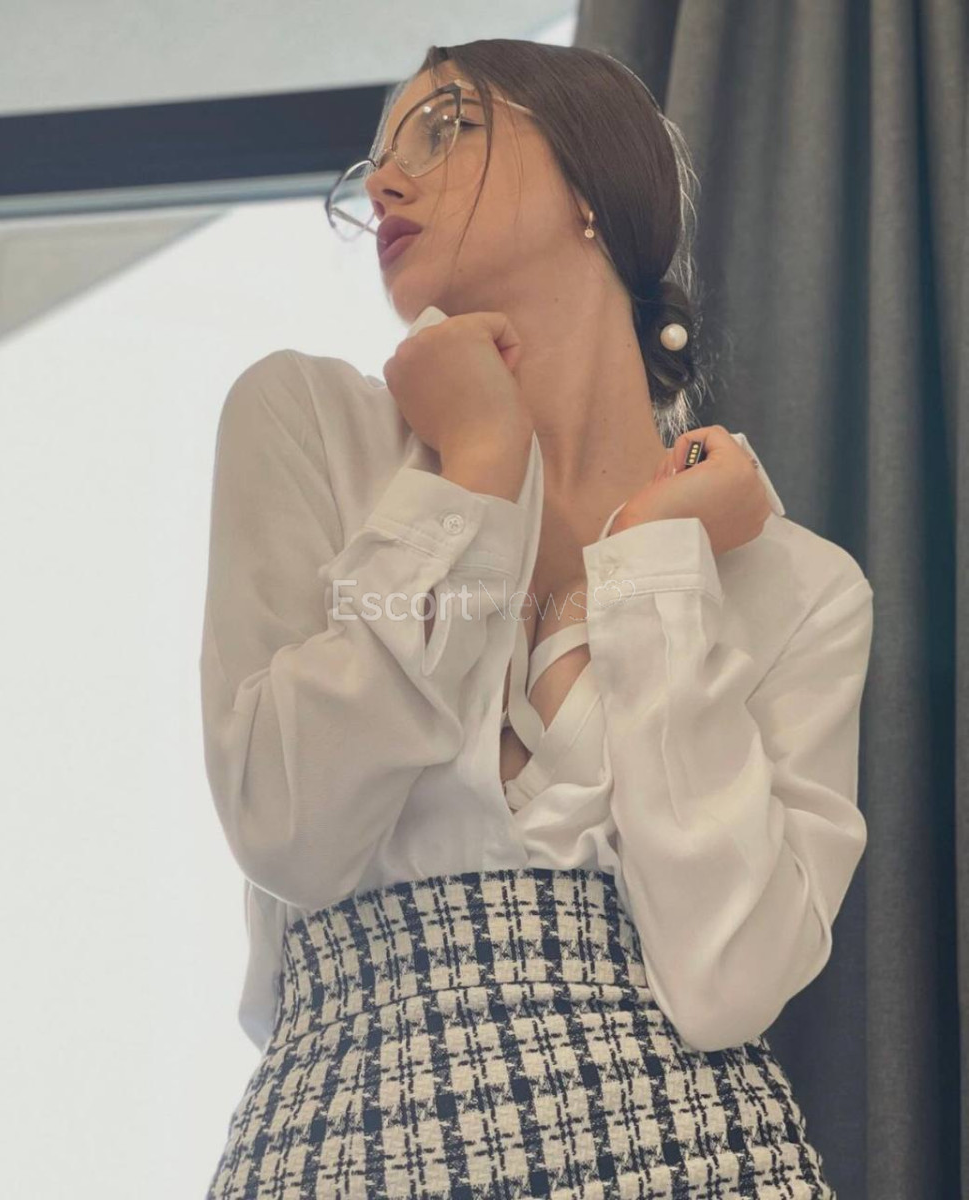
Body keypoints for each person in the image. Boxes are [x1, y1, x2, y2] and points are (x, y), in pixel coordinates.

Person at [202, 39, 873, 1199]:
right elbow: (288, 829)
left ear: (591, 185)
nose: (384, 183)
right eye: (373, 162)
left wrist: (654, 566)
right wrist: (472, 465)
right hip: (350, 1137)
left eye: (443, 129)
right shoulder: (305, 423)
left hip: (697, 1154)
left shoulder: (797, 586)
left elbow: (726, 982)